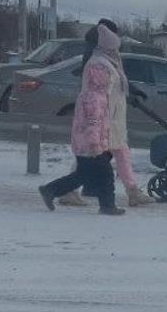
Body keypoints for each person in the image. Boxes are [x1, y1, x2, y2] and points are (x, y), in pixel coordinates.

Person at [58, 20, 151, 207]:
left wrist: (130, 92)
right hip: (104, 118)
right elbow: (99, 91)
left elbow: (117, 81)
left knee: (120, 152)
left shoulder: (111, 56)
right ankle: (68, 191)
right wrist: (95, 121)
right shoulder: (96, 58)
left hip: (114, 115)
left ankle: (132, 191)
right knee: (90, 156)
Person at [38, 23, 128, 216]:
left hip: (89, 139)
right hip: (90, 141)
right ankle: (107, 205)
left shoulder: (100, 80)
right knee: (104, 173)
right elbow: (93, 120)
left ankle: (51, 190)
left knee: (85, 174)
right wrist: (95, 142)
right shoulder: (95, 92)